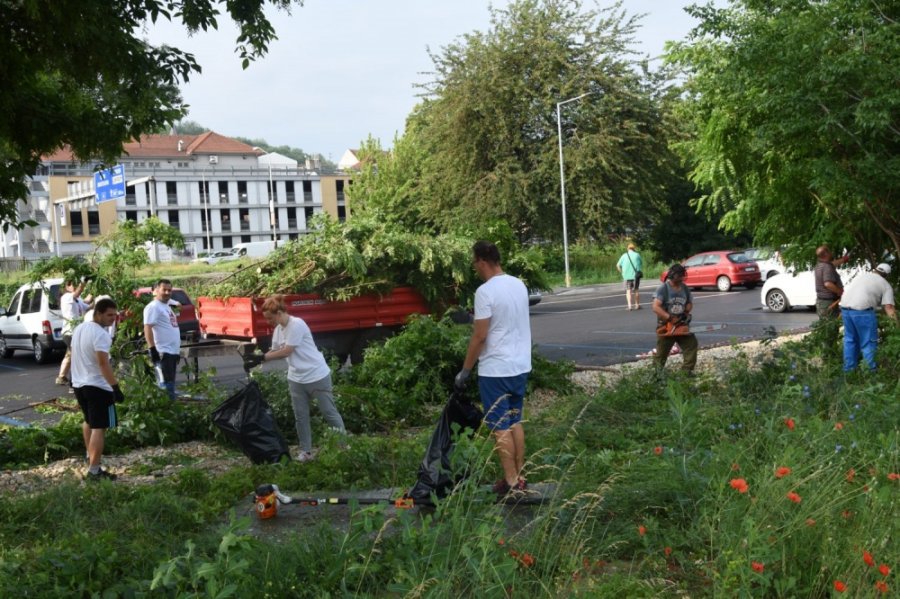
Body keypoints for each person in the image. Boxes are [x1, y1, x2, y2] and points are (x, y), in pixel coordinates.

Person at [455, 240, 532, 496]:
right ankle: (519, 476)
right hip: (520, 366)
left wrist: (465, 371)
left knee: (500, 426)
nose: (474, 267)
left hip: (496, 370)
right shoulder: (518, 284)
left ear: (482, 261)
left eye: (474, 262)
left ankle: (510, 482)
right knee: (515, 420)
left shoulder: (485, 292)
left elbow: (480, 336)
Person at [259, 295, 346, 462]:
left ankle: (343, 446)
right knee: (301, 416)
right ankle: (306, 452)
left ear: (278, 313)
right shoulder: (278, 330)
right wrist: (257, 358)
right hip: (296, 378)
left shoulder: (296, 324)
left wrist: (264, 358)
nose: (268, 322)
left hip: (316, 375)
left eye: (270, 318)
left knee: (329, 412)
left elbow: (287, 351)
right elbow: (275, 350)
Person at [71, 297, 124, 481]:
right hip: (97, 386)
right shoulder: (102, 335)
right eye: (109, 315)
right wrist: (115, 387)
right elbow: (103, 363)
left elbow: (73, 354)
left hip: (79, 383)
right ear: (98, 313)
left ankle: (89, 456)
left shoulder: (79, 329)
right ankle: (94, 471)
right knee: (99, 428)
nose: (113, 319)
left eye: (115, 315)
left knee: (88, 421)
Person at [839, 263, 897, 372]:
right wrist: (896, 326)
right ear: (887, 275)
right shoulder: (885, 284)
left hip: (845, 309)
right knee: (868, 342)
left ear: (875, 270)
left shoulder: (861, 276)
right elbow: (889, 307)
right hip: (862, 311)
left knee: (850, 340)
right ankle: (870, 372)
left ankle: (849, 370)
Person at [652, 263, 699, 373]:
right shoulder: (663, 289)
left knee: (691, 345)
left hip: (681, 323)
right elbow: (656, 307)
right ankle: (656, 375)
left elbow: (689, 302)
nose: (683, 277)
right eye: (681, 275)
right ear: (675, 276)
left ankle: (686, 372)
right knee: (662, 353)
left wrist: (686, 311)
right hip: (666, 325)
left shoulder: (684, 288)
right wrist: (669, 318)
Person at [143, 278, 181, 401]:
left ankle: (170, 412)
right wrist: (152, 349)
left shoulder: (166, 306)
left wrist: (176, 351)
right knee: (166, 387)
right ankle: (167, 412)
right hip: (163, 352)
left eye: (169, 290)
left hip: (171, 352)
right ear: (155, 291)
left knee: (170, 384)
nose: (167, 292)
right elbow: (148, 327)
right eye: (164, 290)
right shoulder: (153, 307)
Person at [813, 245, 850, 354]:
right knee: (830, 330)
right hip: (828, 303)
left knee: (826, 328)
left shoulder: (820, 265)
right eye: (830, 251)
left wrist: (843, 260)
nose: (832, 253)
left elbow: (833, 264)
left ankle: (828, 354)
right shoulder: (827, 267)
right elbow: (828, 283)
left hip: (823, 302)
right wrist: (841, 292)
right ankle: (828, 356)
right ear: (826, 254)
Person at [56, 278, 92, 387]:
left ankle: (61, 377)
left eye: (74, 284)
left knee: (70, 355)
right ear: (66, 287)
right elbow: (79, 291)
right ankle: (74, 383)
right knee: (77, 357)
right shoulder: (66, 297)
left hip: (76, 332)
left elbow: (88, 304)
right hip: (70, 332)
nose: (73, 286)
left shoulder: (77, 299)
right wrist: (84, 281)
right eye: (70, 284)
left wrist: (94, 293)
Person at [616, 243, 644, 310]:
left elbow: (618, 265)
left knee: (628, 291)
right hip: (635, 276)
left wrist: (622, 272)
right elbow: (641, 263)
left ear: (628, 249)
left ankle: (629, 306)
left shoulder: (624, 255)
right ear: (634, 249)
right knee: (636, 290)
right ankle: (637, 305)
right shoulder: (637, 255)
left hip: (626, 276)